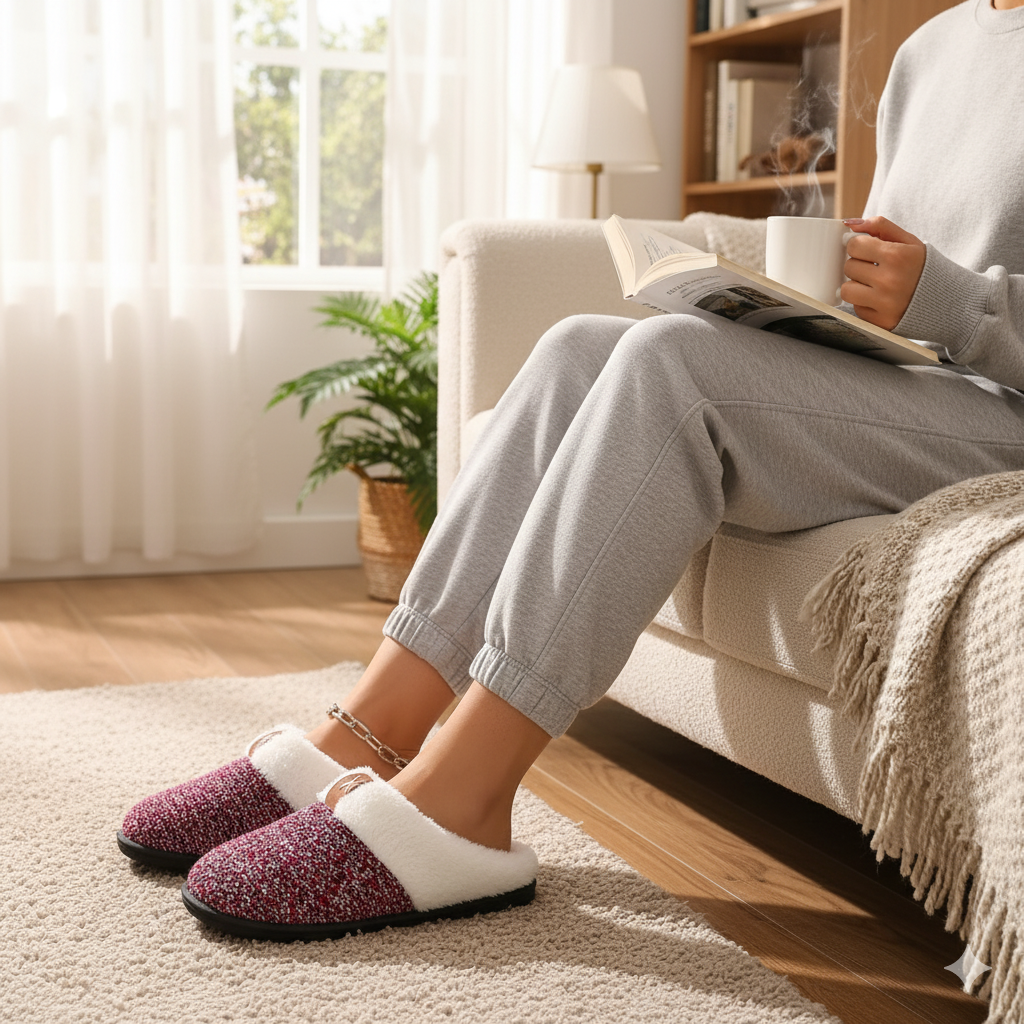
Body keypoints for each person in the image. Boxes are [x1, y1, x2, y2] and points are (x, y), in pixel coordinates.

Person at [120, 0, 1024, 941]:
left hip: (1005, 418)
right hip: (917, 389)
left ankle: (464, 799)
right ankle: (366, 732)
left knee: (674, 369)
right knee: (581, 347)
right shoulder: (932, 47)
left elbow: (957, 302)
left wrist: (958, 303)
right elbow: (898, 278)